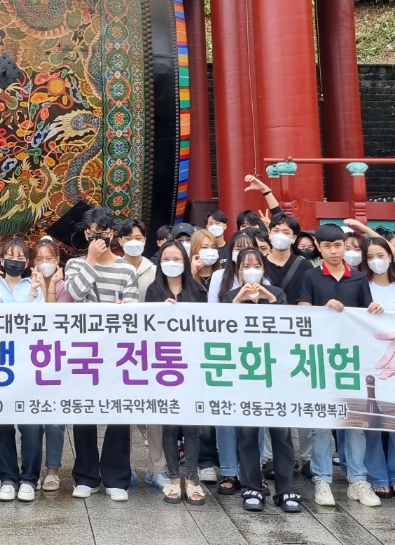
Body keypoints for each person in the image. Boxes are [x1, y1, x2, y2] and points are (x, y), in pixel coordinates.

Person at [297, 222, 385, 509]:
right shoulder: (310, 276)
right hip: (320, 359)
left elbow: (368, 316)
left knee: (355, 422)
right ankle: (322, 478)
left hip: (352, 360)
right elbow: (302, 311)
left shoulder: (359, 279)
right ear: (319, 248)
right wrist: (320, 311)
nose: (334, 251)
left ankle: (357, 479)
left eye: (339, 246)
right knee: (322, 422)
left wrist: (374, 310)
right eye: (328, 246)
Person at [64, 207, 137, 501]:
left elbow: (130, 309)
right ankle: (86, 476)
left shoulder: (126, 269)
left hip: (117, 351)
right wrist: (90, 261)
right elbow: (75, 294)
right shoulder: (74, 265)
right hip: (84, 349)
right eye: (94, 234)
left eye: (104, 233)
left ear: (113, 234)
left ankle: (117, 477)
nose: (99, 238)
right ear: (86, 235)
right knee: (84, 414)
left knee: (118, 413)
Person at [222, 247, 303, 514]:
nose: (252, 269)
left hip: (276, 375)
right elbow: (220, 329)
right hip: (245, 375)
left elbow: (290, 327)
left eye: (256, 264)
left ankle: (285, 489)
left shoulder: (277, 294)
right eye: (246, 265)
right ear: (238, 270)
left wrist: (268, 297)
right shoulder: (230, 296)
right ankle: (251, 487)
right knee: (246, 434)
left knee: (281, 435)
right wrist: (238, 302)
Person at [142, 239, 208, 504]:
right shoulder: (153, 290)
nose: (172, 263)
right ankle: (173, 478)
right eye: (166, 259)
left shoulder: (198, 291)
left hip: (191, 364)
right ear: (159, 262)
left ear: (185, 261)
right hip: (164, 365)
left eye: (177, 258)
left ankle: (191, 478)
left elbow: (206, 328)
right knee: (168, 425)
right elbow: (144, 327)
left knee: (192, 424)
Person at [0, 237, 45, 502]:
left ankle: (30, 478)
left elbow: (35, 323)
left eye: (21, 257)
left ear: (27, 262)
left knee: (32, 425)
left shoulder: (36, 287)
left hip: (29, 363)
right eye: (10, 256)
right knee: (1, 425)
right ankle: (8, 478)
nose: (15, 261)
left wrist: (32, 294)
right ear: (2, 259)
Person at [359, 235, 395, 500]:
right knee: (373, 418)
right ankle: (377, 474)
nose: (376, 261)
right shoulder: (361, 285)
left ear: (390, 256)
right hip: (370, 360)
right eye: (370, 257)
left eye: (381, 255)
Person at [29, 237, 67, 492]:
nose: (45, 264)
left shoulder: (64, 286)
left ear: (58, 261)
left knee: (54, 416)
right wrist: (33, 291)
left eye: (49, 259)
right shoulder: (25, 286)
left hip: (57, 356)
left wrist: (50, 287)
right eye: (40, 259)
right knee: (30, 418)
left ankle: (52, 469)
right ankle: (30, 471)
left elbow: (56, 319)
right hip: (29, 356)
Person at [117, 217, 156, 294]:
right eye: (128, 239)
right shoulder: (115, 270)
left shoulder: (155, 272)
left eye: (138, 238)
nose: (133, 242)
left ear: (144, 240)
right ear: (120, 241)